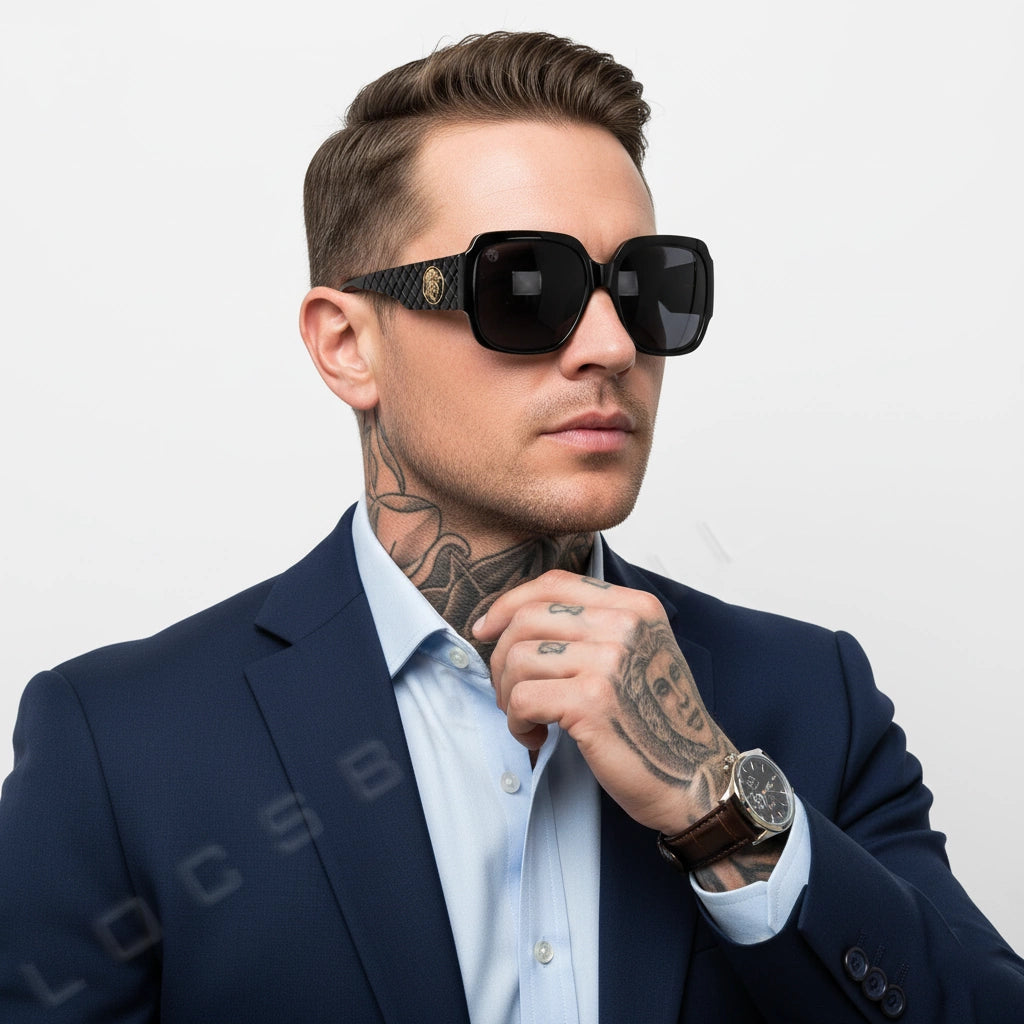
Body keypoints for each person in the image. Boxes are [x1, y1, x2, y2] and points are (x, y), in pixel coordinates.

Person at [0, 29, 1020, 1024]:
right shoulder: (122, 743)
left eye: (647, 288)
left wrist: (720, 809)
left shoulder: (810, 699)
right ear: (347, 343)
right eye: (526, 286)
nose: (611, 344)